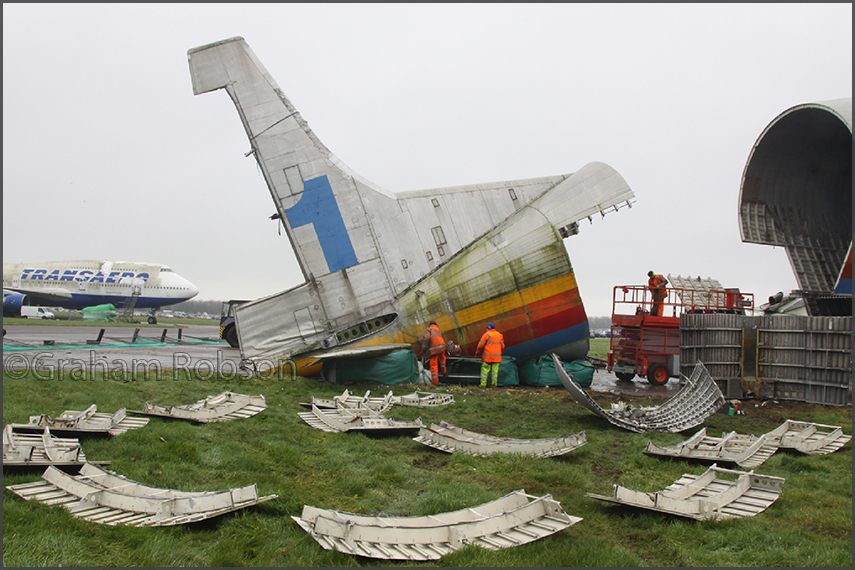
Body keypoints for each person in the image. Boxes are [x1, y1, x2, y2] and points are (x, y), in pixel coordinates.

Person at [475, 322, 504, 388]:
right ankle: (493, 385)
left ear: (487, 328)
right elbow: (502, 346)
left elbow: (480, 346)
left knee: (484, 371)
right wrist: (499, 353)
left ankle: (483, 385)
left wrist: (477, 353)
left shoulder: (486, 335)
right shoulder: (500, 335)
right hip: (497, 358)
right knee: (494, 373)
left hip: (487, 358)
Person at [421, 320, 447, 385]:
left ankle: (435, 382)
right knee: (442, 360)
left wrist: (424, 348)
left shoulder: (428, 329)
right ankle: (444, 372)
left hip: (434, 349)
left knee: (433, 365)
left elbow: (426, 339)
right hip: (442, 347)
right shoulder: (438, 329)